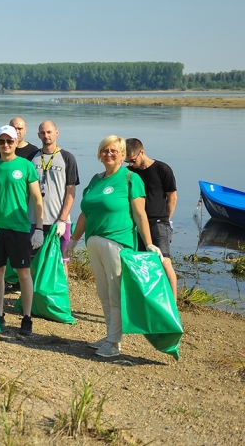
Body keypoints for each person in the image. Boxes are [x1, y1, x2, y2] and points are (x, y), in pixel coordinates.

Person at [67, 136, 163, 358]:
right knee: (103, 292)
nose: (108, 154)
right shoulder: (95, 180)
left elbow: (140, 214)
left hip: (117, 243)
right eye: (104, 150)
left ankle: (114, 343)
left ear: (122, 155)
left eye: (113, 151)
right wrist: (73, 240)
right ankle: (110, 335)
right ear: (99, 154)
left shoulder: (130, 178)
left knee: (115, 293)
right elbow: (85, 213)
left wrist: (148, 243)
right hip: (94, 242)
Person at [0, 125, 44, 336]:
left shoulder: (25, 166)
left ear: (16, 142)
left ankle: (26, 317)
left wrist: (39, 228)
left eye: (9, 141)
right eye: (1, 141)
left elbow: (36, 198)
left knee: (24, 273)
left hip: (19, 229)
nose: (5, 145)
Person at [125, 138, 178, 300]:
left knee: (164, 261)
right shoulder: (130, 174)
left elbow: (172, 197)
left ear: (142, 152)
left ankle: (173, 304)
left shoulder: (162, 169)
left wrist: (166, 221)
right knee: (141, 264)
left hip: (159, 222)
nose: (130, 164)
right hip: (137, 224)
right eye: (127, 161)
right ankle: (149, 301)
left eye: (132, 160)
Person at [30, 120, 79, 274]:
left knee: (61, 261)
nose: (46, 135)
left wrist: (63, 220)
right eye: (43, 133)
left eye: (49, 132)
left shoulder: (67, 157)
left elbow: (71, 192)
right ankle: (34, 297)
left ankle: (61, 296)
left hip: (59, 221)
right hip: (34, 220)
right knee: (34, 262)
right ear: (38, 135)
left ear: (56, 132)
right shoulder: (32, 158)